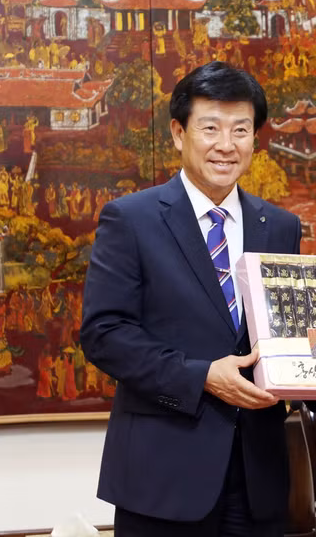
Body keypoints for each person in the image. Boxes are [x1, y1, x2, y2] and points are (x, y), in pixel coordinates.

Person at [80, 61, 302, 537]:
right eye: (211, 128)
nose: (227, 144)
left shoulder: (279, 226)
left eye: (241, 129)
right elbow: (105, 334)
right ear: (180, 134)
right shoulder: (131, 219)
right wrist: (201, 376)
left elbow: (282, 336)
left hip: (259, 476)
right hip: (163, 475)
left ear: (255, 140)